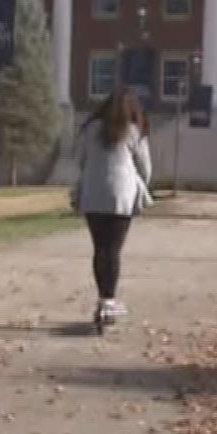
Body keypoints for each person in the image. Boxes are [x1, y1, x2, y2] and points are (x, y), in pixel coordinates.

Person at [70, 87, 153, 322]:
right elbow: (145, 167)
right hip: (121, 196)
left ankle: (102, 300)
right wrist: (142, 185)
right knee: (113, 250)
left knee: (100, 249)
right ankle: (110, 301)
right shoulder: (133, 131)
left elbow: (80, 161)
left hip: (93, 194)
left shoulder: (89, 130)